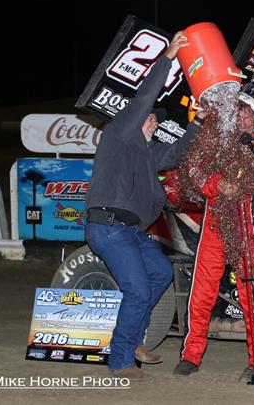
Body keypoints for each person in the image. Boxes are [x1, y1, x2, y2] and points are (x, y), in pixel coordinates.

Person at [85, 31, 206, 383]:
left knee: (160, 273)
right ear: (135, 118)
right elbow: (143, 98)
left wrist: (196, 124)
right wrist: (167, 58)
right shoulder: (121, 132)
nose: (156, 121)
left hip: (129, 231)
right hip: (108, 226)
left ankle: (133, 338)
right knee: (137, 290)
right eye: (151, 117)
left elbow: (175, 154)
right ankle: (121, 359)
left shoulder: (144, 151)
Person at [173, 82, 254, 379]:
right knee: (202, 291)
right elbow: (194, 170)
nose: (239, 115)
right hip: (215, 224)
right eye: (236, 109)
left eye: (245, 110)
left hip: (251, 226)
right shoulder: (216, 135)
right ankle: (191, 355)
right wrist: (215, 184)